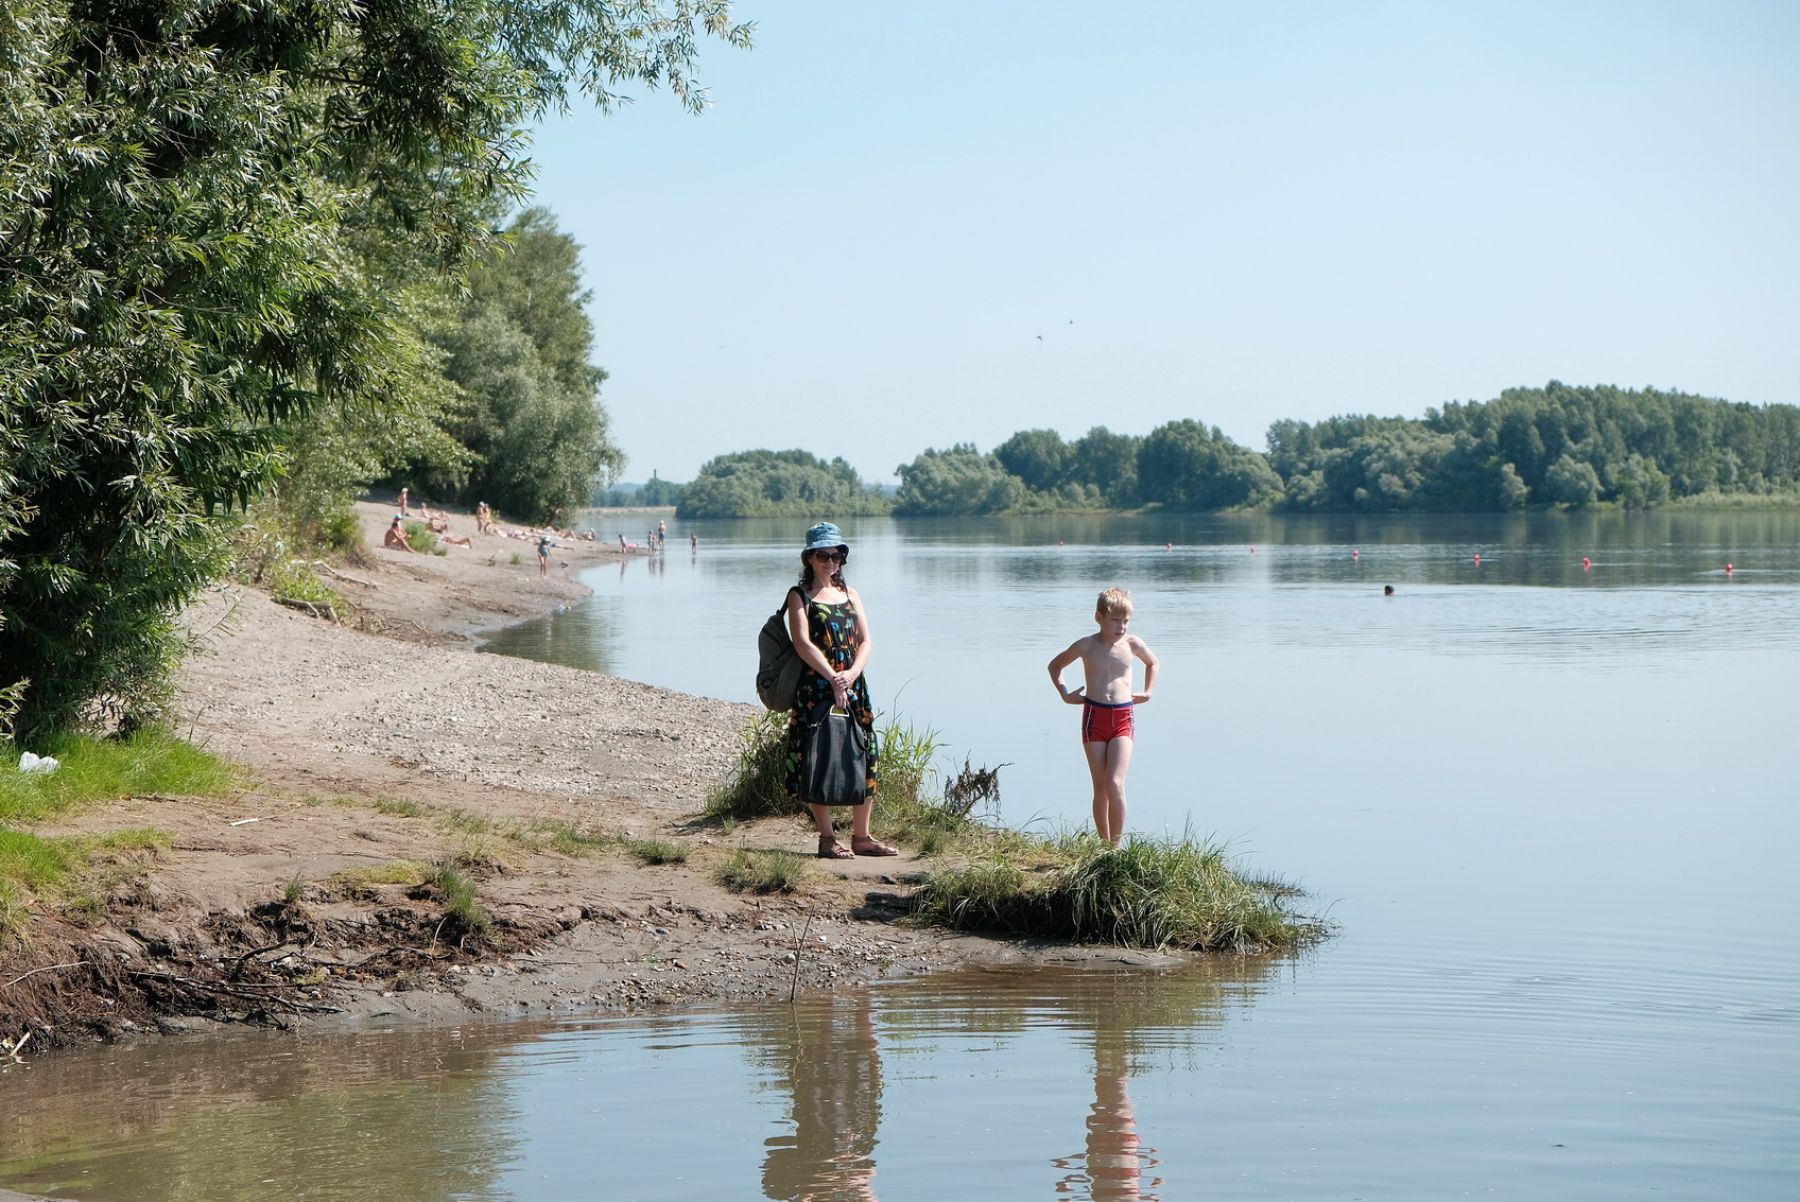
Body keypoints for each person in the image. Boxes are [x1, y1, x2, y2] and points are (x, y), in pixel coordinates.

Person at [784, 522, 895, 859]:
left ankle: (862, 836)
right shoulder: (799, 596)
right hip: (817, 686)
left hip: (854, 684)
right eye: (824, 555)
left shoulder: (851, 594)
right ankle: (828, 837)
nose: (831, 561)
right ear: (809, 558)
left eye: (838, 555)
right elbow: (803, 644)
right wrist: (834, 678)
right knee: (818, 756)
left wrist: (851, 674)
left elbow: (866, 641)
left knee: (865, 752)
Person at [1047, 587, 1160, 846]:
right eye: (1115, 620)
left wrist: (1149, 691)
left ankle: (1116, 848)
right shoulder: (1086, 646)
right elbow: (1055, 666)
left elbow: (1153, 663)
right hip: (1093, 717)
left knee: (1115, 782)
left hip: (1122, 717)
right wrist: (1064, 693)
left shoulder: (1133, 644)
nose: (1121, 626)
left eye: (1126, 621)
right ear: (1099, 618)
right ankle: (1103, 847)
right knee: (1100, 786)